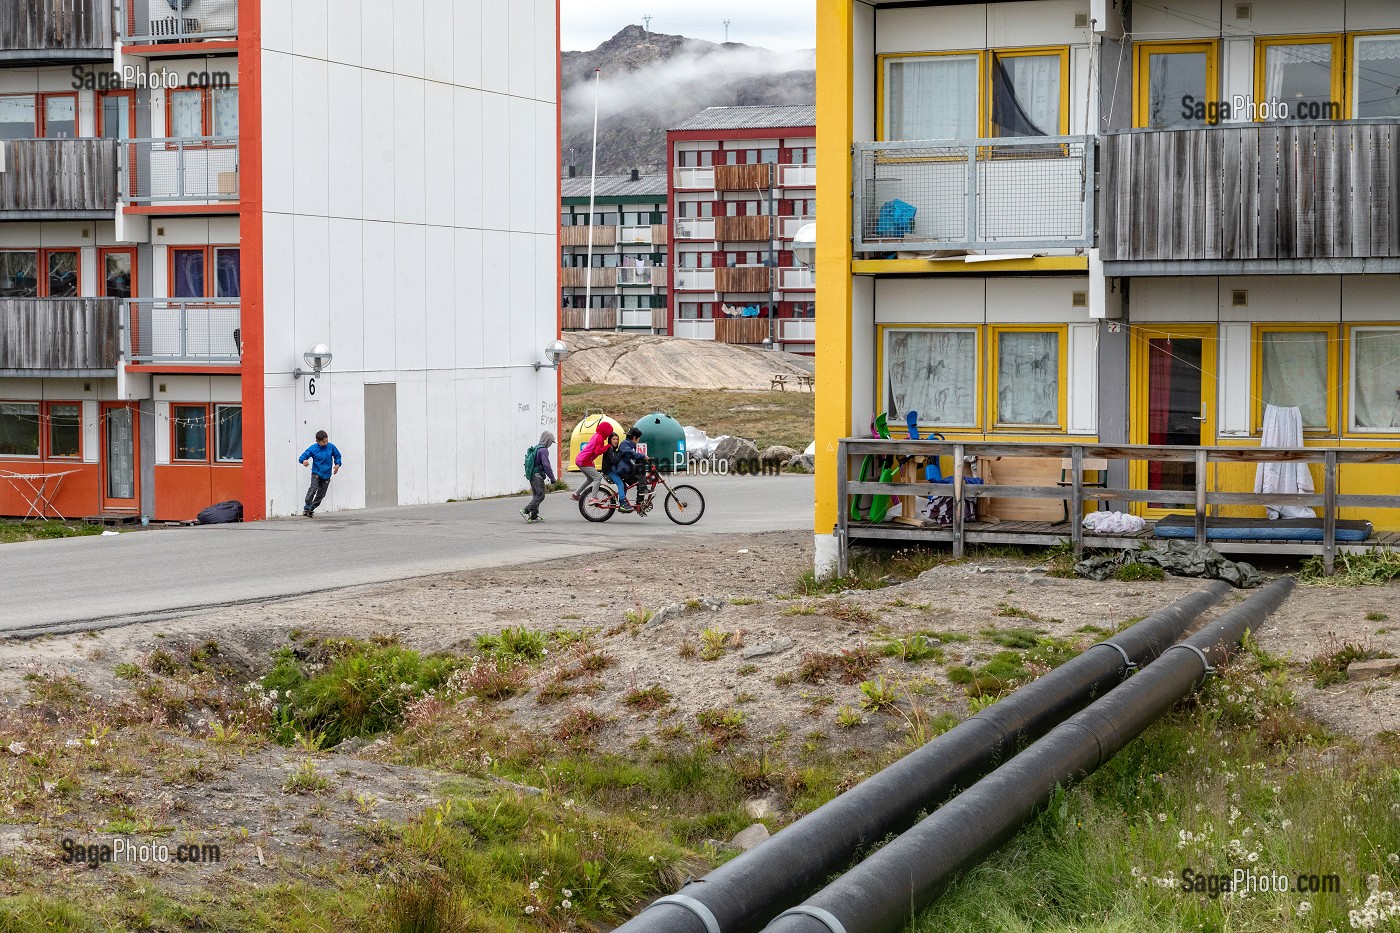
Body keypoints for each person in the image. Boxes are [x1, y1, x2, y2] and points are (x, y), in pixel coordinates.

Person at [602, 427, 649, 512]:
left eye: (617, 439)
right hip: (610, 471)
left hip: (617, 469)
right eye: (613, 439)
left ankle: (639, 504)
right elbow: (614, 461)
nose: (616, 441)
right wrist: (622, 454)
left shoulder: (618, 448)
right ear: (635, 438)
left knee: (634, 483)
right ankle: (623, 503)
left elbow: (631, 456)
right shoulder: (612, 448)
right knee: (621, 484)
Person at [298, 430, 342, 517]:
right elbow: (303, 456)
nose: (325, 443)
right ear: (317, 441)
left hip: (326, 475)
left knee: (321, 494)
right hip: (316, 474)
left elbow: (337, 456)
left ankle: (311, 508)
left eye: (326, 441)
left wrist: (337, 465)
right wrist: (304, 461)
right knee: (313, 488)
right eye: (323, 442)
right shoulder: (313, 448)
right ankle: (307, 507)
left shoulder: (331, 447)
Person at [520, 430, 556, 524]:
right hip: (538, 475)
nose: (551, 444)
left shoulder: (536, 448)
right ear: (547, 440)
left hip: (532, 475)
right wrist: (552, 478)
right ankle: (526, 510)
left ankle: (534, 515)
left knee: (536, 495)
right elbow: (546, 465)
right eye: (551, 442)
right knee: (541, 495)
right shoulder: (543, 450)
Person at [572, 419, 613, 502]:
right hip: (584, 460)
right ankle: (593, 498)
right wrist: (608, 446)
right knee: (598, 477)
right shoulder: (600, 438)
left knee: (590, 479)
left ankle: (576, 494)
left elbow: (592, 450)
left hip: (581, 459)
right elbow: (598, 451)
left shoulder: (596, 435)